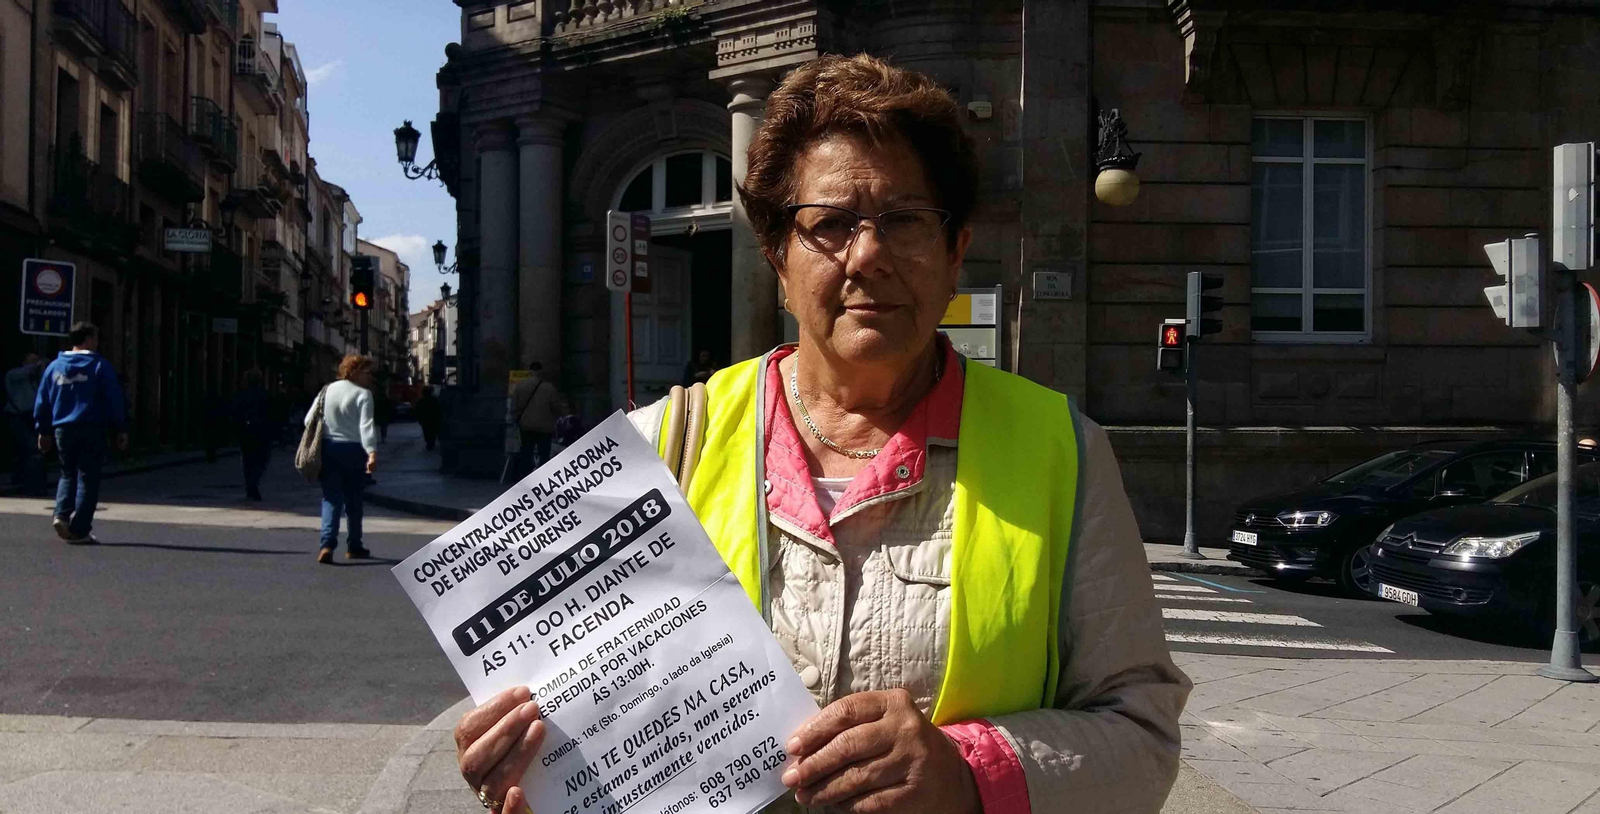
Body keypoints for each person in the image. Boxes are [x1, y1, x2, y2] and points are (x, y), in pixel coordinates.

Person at [454, 55, 1188, 814]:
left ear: (954, 251)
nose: (867, 257)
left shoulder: (1063, 450)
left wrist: (968, 772)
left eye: (904, 221)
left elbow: (1141, 735)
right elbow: (582, 731)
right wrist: (533, 764)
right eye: (831, 225)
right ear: (778, 257)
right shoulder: (662, 443)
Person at [34, 322, 128, 544]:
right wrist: (121, 429)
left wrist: (43, 431)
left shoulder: (54, 367)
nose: (97, 343)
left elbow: (43, 401)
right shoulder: (99, 366)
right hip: (91, 427)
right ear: (87, 339)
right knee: (88, 478)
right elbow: (113, 399)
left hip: (62, 429)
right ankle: (79, 530)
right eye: (95, 338)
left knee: (67, 473)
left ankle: (61, 514)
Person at [307, 354, 378, 563]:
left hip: (328, 449)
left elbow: (308, 419)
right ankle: (354, 545)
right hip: (354, 451)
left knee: (331, 498)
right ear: (354, 372)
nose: (369, 378)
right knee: (354, 499)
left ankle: (327, 545)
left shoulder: (326, 390)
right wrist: (372, 452)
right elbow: (366, 427)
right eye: (367, 373)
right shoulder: (363, 394)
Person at [231, 369, 278, 501]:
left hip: (245, 432)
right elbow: (273, 414)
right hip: (263, 433)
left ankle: (250, 485)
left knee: (247, 460)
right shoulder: (265, 394)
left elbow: (235, 413)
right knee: (262, 459)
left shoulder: (241, 395)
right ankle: (254, 483)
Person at [4, 353, 46, 493]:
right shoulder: (13, 375)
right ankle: (32, 483)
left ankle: (21, 478)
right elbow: (25, 372)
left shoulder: (35, 378)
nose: (34, 364)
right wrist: (38, 365)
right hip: (16, 416)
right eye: (31, 361)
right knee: (31, 448)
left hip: (31, 416)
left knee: (28, 451)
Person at [509, 361, 559, 477]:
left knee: (526, 453)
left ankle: (525, 478)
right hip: (545, 427)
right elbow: (556, 407)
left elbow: (514, 406)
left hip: (526, 425)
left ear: (530, 371)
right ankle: (543, 479)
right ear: (541, 372)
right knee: (544, 454)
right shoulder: (549, 388)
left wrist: (515, 419)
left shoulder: (521, 386)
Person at [415, 387, 444, 451]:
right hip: (432, 419)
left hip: (426, 420)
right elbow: (439, 409)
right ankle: (431, 443)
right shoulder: (434, 400)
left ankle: (430, 443)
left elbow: (418, 411)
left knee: (427, 432)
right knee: (431, 432)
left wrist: (419, 419)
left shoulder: (422, 401)